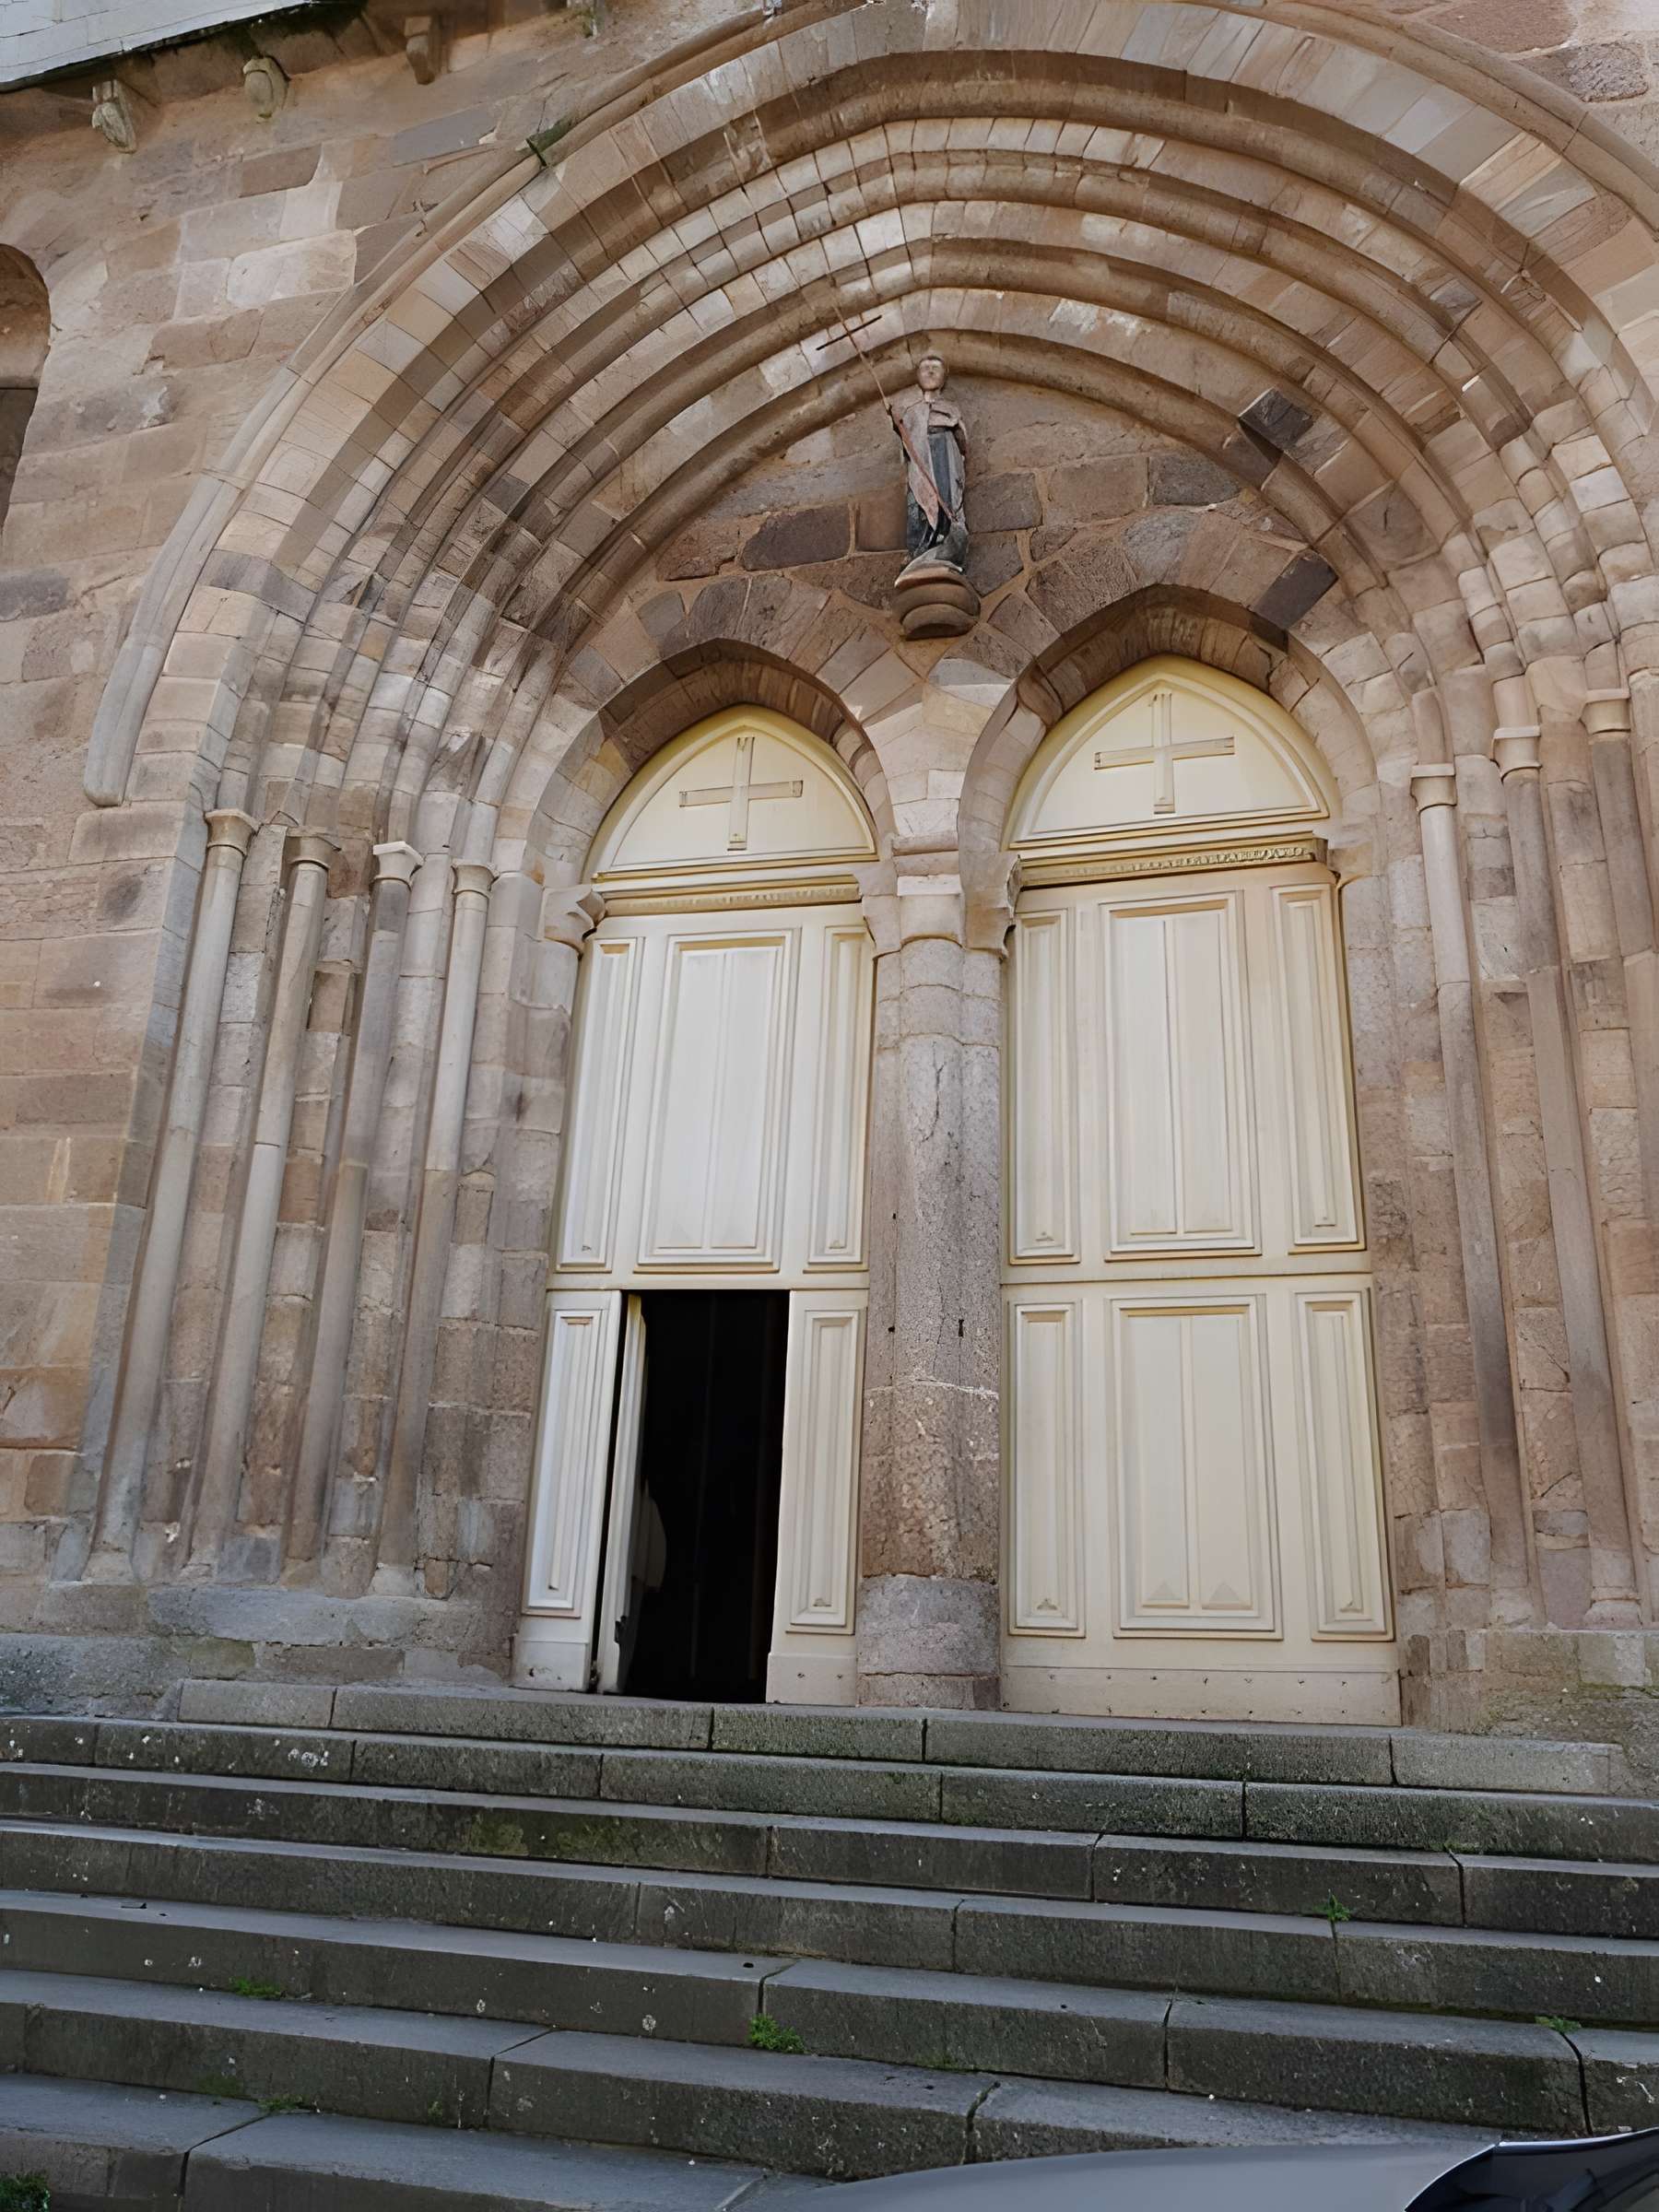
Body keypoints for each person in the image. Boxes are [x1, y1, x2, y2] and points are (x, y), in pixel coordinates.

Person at [895, 350, 969, 573]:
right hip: (920, 464)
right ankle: (921, 547)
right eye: (925, 368)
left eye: (935, 369)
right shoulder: (911, 412)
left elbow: (962, 441)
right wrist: (897, 421)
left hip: (944, 458)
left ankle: (945, 538)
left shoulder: (950, 409)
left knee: (946, 497)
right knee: (919, 500)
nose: (929, 372)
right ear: (917, 375)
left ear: (944, 376)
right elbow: (906, 441)